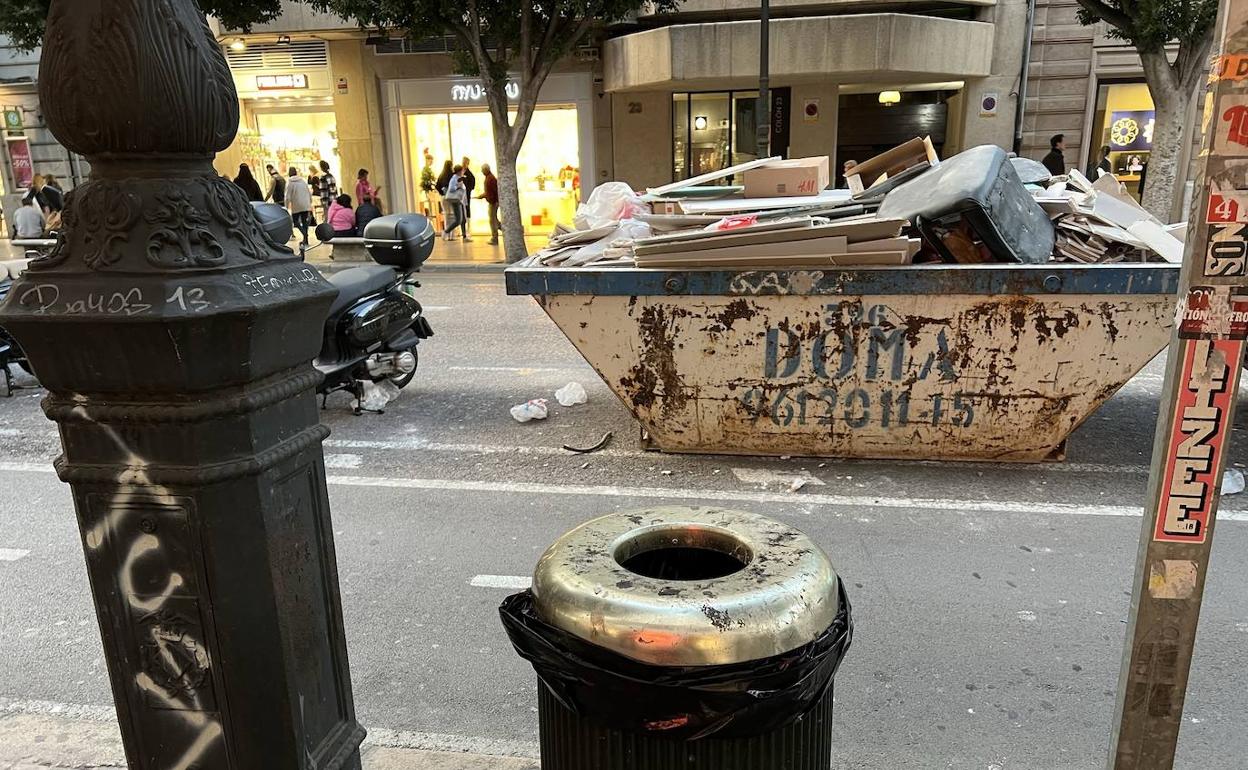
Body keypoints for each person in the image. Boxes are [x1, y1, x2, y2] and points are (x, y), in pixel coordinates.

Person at [286, 167, 314, 246]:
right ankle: (306, 239)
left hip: (296, 205)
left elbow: (287, 196)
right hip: (305, 204)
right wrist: (310, 202)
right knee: (305, 222)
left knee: (295, 222)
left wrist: (286, 205)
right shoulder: (302, 181)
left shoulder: (289, 182)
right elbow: (308, 192)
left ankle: (305, 235)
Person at [442, 165, 470, 242]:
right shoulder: (454, 178)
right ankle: (446, 231)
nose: (463, 172)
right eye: (462, 170)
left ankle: (465, 237)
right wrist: (459, 186)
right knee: (459, 220)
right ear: (459, 171)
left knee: (463, 219)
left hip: (460, 201)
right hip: (456, 200)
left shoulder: (458, 178)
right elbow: (451, 188)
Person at [479, 162, 500, 245]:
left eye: (482, 170)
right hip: (493, 201)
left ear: (486, 170)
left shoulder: (490, 179)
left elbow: (491, 192)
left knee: (492, 221)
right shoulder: (489, 178)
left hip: (493, 202)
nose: (481, 171)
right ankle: (505, 229)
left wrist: (483, 195)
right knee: (494, 220)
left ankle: (495, 238)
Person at [460, 157, 476, 230]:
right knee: (461, 210)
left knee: (467, 208)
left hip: (466, 194)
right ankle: (462, 227)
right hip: (459, 194)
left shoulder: (468, 173)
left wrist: (469, 189)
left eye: (466, 163)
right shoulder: (459, 171)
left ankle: (468, 227)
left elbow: (472, 180)